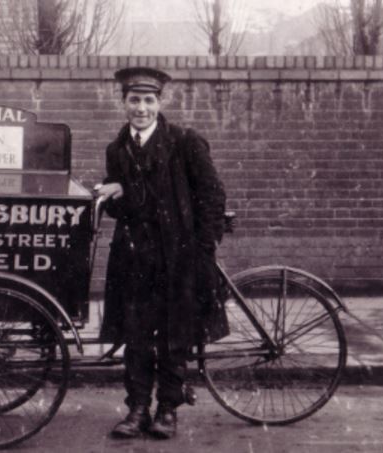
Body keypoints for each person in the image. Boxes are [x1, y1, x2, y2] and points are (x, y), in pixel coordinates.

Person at [96, 67, 228, 440]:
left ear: (160, 103)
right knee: (135, 335)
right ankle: (137, 409)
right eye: (134, 100)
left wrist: (204, 248)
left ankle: (168, 408)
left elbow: (212, 196)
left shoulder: (185, 142)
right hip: (134, 259)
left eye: (148, 101)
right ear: (123, 103)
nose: (141, 108)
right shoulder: (117, 149)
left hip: (179, 257)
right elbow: (126, 209)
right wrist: (113, 192)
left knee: (175, 334)